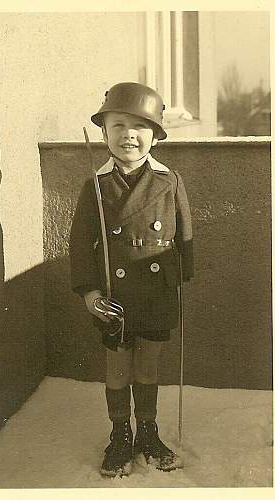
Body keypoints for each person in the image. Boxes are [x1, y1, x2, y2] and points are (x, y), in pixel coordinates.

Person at [70, 82, 194, 478]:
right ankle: (120, 435)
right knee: (119, 367)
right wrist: (89, 291)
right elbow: (79, 246)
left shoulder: (169, 181)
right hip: (115, 296)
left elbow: (185, 235)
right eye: (118, 124)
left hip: (157, 291)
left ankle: (149, 433)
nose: (128, 135)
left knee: (149, 367)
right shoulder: (96, 185)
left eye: (140, 126)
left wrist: (182, 276)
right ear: (104, 132)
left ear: (155, 135)